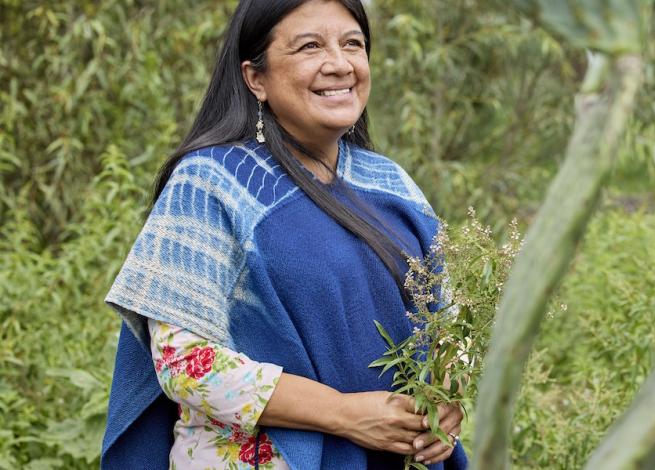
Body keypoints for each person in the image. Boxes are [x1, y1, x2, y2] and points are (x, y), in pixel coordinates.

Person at [100, 1, 468, 468]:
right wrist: (342, 414)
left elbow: (452, 323)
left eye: (353, 43)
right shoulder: (211, 182)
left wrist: (445, 403)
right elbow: (183, 363)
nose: (339, 63)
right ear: (256, 77)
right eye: (310, 46)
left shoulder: (391, 183)